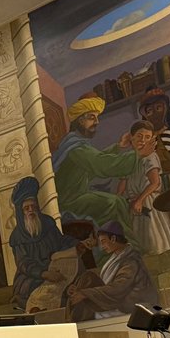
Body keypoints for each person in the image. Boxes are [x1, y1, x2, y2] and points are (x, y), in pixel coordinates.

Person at [51, 93, 153, 247]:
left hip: (77, 196)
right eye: (92, 117)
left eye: (97, 118)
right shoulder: (76, 148)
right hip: (69, 202)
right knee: (111, 202)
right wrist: (137, 155)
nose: (97, 122)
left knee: (118, 201)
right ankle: (116, 247)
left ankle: (129, 244)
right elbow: (101, 165)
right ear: (80, 120)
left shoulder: (75, 143)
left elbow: (93, 165)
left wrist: (118, 147)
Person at [7, 177, 77, 310]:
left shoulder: (48, 223)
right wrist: (45, 273)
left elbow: (61, 241)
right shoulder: (17, 236)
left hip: (56, 267)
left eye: (33, 206)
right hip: (33, 276)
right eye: (26, 208)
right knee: (37, 292)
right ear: (21, 213)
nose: (31, 210)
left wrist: (78, 244)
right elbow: (24, 264)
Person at [66, 221, 158, 322]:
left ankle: (72, 324)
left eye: (104, 241)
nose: (102, 246)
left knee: (83, 311)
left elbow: (118, 288)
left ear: (113, 239)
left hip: (130, 305)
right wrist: (77, 288)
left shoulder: (131, 261)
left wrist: (85, 293)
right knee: (87, 277)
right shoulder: (118, 256)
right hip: (117, 299)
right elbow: (103, 280)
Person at [120, 120, 170, 254]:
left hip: (148, 201)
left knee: (153, 238)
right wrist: (119, 200)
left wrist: (140, 200)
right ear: (131, 138)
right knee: (137, 238)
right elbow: (123, 182)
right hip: (133, 203)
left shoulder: (150, 157)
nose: (142, 140)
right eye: (139, 136)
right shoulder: (129, 159)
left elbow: (154, 182)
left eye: (147, 137)